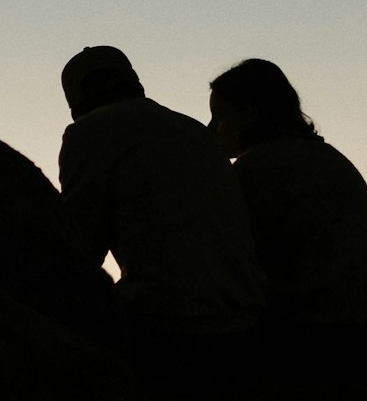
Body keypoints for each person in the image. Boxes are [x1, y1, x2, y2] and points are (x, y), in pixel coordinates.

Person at [59, 46, 265, 379]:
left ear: (75, 100)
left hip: (174, 331)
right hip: (246, 331)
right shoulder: (194, 131)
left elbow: (79, 246)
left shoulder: (91, 131)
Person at [208, 58, 367, 384]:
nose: (211, 129)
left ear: (250, 113)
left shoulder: (256, 168)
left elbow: (231, 264)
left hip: (315, 334)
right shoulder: (329, 159)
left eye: (220, 117)